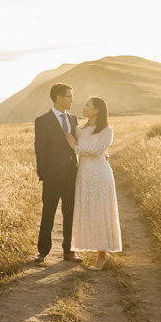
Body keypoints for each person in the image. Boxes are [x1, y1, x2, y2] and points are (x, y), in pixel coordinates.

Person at [64, 96, 122, 270]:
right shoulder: (79, 129)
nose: (84, 107)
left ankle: (102, 256)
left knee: (101, 211)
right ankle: (98, 250)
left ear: (97, 110)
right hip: (84, 175)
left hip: (100, 175)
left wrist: (76, 148)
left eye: (88, 105)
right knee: (89, 212)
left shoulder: (106, 130)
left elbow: (98, 151)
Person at [33, 82, 82, 263]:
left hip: (71, 174)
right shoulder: (42, 120)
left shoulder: (73, 118)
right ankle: (43, 251)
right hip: (52, 176)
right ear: (59, 98)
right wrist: (44, 174)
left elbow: (77, 144)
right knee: (48, 213)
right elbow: (40, 149)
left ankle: (69, 251)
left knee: (70, 213)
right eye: (69, 96)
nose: (72, 100)